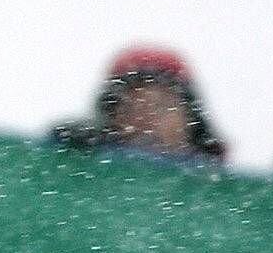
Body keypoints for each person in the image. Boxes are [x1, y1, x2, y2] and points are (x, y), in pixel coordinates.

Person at [49, 47, 228, 165]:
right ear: (111, 119)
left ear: (190, 117)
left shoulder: (218, 192)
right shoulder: (86, 173)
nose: (147, 120)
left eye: (162, 107)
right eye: (131, 109)